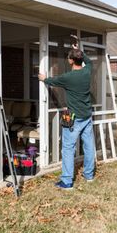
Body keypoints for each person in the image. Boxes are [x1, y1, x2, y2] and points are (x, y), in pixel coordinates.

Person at [38, 39, 95, 190]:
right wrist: (80, 51)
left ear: (70, 60)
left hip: (74, 118)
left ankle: (67, 181)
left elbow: (51, 80)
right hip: (87, 116)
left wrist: (43, 78)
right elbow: (89, 62)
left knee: (68, 148)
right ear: (80, 59)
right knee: (89, 146)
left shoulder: (68, 77)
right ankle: (89, 175)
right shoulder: (87, 71)